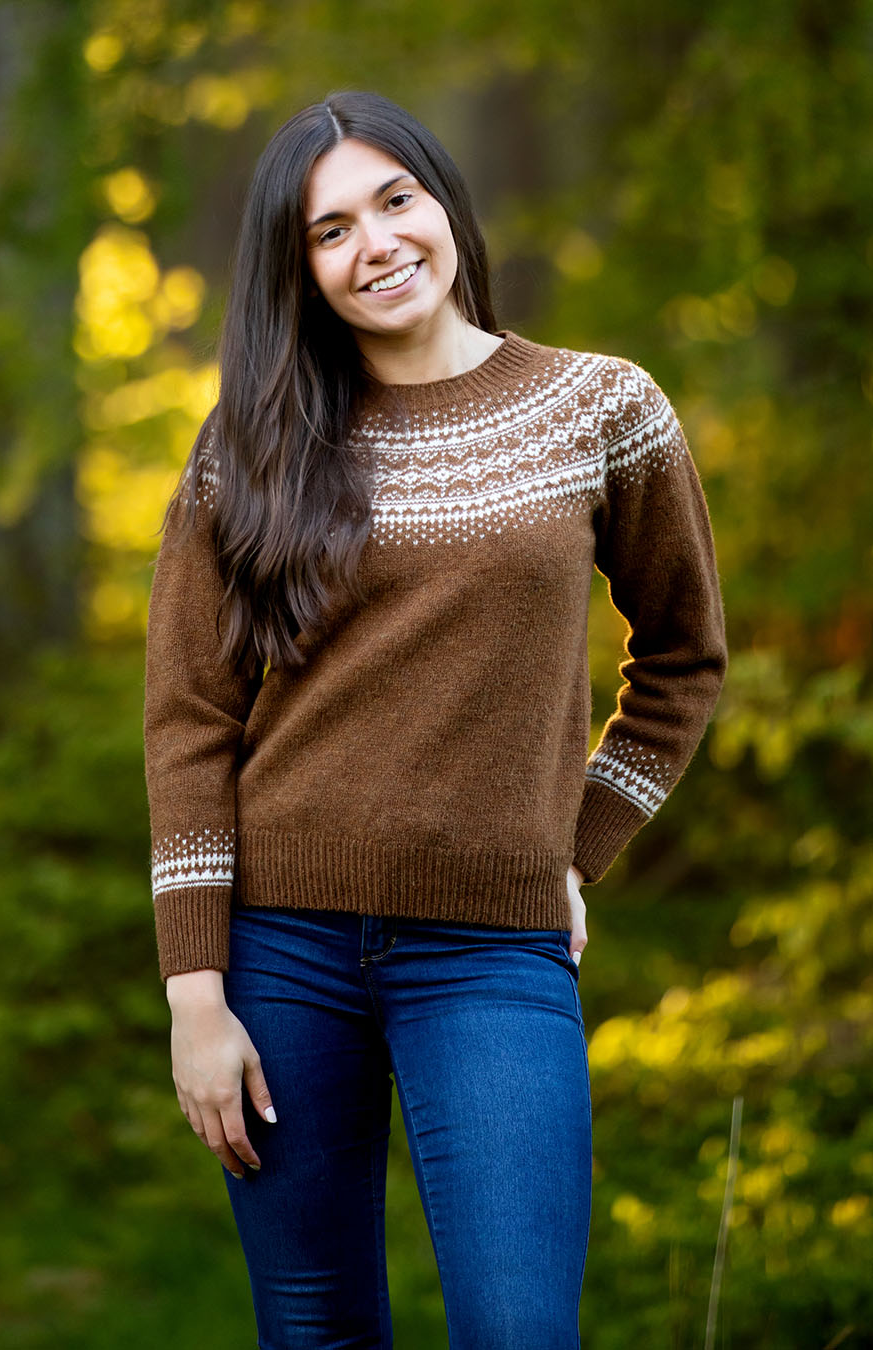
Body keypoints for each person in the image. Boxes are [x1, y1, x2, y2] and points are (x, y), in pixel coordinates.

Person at [143, 89, 727, 1350]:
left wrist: (572, 851)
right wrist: (197, 992)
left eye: (395, 200)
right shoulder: (251, 446)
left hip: (493, 952)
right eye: (329, 230)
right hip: (278, 950)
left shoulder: (601, 409)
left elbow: (683, 662)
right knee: (317, 1331)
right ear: (297, 268)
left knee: (521, 1330)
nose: (377, 245)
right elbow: (191, 716)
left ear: (444, 202)